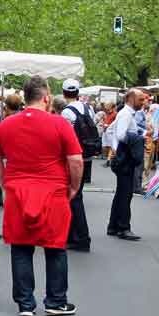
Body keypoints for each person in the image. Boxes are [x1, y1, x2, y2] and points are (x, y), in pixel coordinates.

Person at [0, 76, 83, 316]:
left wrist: (4, 182)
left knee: (20, 246)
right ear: (46, 97)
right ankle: (56, 300)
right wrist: (74, 187)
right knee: (55, 247)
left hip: (18, 191)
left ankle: (25, 304)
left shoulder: (6, 125)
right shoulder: (60, 124)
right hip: (52, 191)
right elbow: (75, 160)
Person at [59, 80, 100, 252]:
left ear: (63, 93)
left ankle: (80, 237)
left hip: (73, 158)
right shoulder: (86, 108)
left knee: (73, 197)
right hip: (86, 155)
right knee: (76, 196)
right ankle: (75, 236)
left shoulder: (67, 113)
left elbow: (65, 138)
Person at [106, 88, 147, 241]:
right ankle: (123, 227)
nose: (143, 103)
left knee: (122, 193)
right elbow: (121, 134)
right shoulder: (126, 114)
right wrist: (138, 137)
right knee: (125, 194)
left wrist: (115, 149)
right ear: (130, 99)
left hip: (122, 157)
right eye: (140, 99)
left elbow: (110, 131)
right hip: (125, 159)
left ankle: (114, 226)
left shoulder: (125, 114)